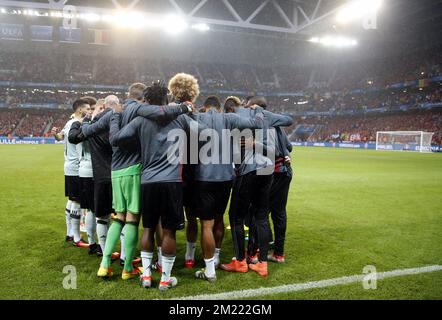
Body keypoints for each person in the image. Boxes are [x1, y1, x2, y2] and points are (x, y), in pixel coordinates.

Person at [94, 83, 193, 280]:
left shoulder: (140, 120)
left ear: (147, 100)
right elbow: (202, 135)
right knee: (169, 232)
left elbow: (116, 139)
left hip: (147, 181)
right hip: (172, 180)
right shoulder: (181, 118)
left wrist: (114, 119)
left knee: (146, 228)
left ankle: (145, 275)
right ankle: (165, 278)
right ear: (166, 99)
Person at [188, 95, 264, 282]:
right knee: (219, 218)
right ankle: (216, 258)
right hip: (225, 177)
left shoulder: (197, 117)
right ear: (220, 108)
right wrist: (259, 110)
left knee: (206, 224)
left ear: (205, 107)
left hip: (204, 177)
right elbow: (256, 123)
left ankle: (209, 270)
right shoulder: (229, 118)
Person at [221, 96, 293, 277]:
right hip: (267, 170)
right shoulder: (264, 116)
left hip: (248, 170)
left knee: (236, 216)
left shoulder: (233, 118)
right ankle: (262, 263)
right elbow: (287, 124)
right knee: (261, 215)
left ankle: (240, 261)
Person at [52, 98, 90, 248]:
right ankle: (76, 237)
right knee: (77, 200)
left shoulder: (68, 123)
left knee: (72, 199)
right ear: (80, 110)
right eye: (87, 108)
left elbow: (60, 137)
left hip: (68, 165)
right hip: (75, 167)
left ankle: (69, 233)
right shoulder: (77, 124)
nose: (89, 111)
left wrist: (55, 134)